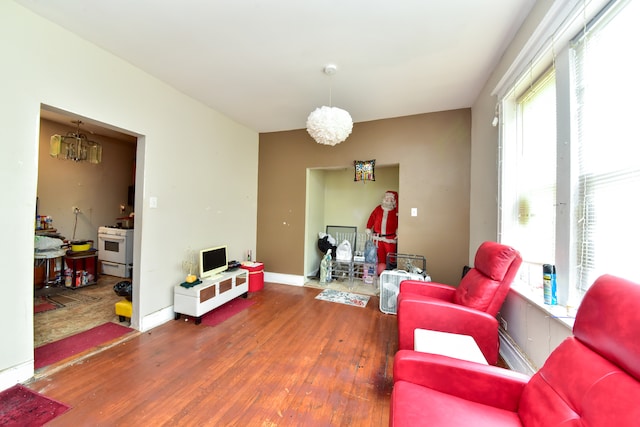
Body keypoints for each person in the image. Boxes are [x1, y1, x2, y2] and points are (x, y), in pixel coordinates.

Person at [366, 191, 398, 274]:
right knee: (380, 257)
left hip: (390, 239)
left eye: (391, 198)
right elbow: (372, 218)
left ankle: (390, 274)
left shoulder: (396, 211)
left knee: (391, 258)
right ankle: (380, 274)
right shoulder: (378, 209)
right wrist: (368, 227)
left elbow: (400, 222)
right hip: (378, 238)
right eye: (387, 198)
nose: (388, 200)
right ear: (384, 199)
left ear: (394, 200)